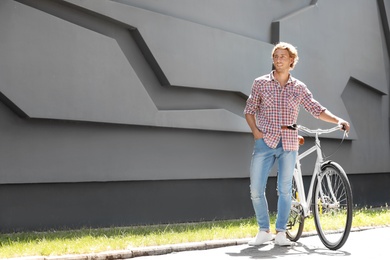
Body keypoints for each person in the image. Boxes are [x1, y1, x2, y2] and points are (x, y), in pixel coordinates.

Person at [244, 42, 350, 246]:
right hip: (264, 141)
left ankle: (281, 232)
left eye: (283, 56)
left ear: (292, 60)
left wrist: (337, 120)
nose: (278, 59)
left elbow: (316, 109)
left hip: (289, 143)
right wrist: (256, 132)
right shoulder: (260, 83)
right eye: (276, 55)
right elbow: (249, 109)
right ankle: (264, 230)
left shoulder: (299, 87)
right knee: (256, 189)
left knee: (284, 189)